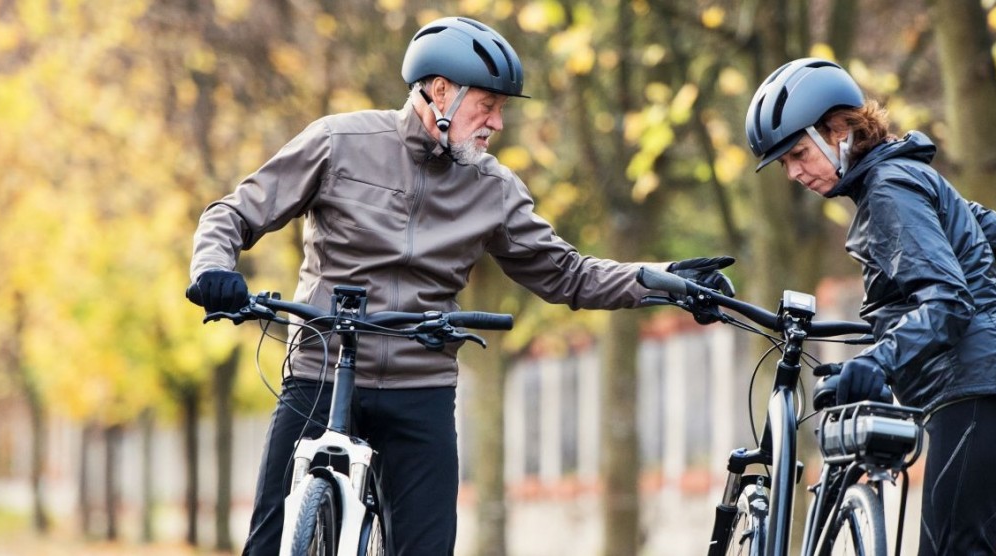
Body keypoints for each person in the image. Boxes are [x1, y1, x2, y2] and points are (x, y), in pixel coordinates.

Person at [186, 16, 734, 555]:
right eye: (487, 105)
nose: (497, 123)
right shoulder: (338, 142)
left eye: (501, 110)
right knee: (267, 540)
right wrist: (214, 268)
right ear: (440, 92)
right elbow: (235, 212)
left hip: (419, 383)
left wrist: (656, 279)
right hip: (321, 369)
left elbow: (565, 272)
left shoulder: (494, 189)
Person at [744, 57, 996, 554]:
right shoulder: (904, 178)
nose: (793, 173)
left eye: (797, 153)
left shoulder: (888, 190)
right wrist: (965, 311)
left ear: (838, 129)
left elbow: (948, 300)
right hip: (979, 389)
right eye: (784, 164)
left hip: (972, 389)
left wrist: (881, 358)